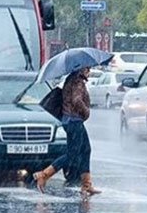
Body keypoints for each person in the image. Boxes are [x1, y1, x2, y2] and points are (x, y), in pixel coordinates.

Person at [32, 67, 101, 198]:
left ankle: (86, 184)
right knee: (72, 154)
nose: (89, 71)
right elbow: (76, 100)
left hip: (70, 120)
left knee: (86, 149)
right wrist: (86, 112)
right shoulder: (78, 82)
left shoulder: (71, 79)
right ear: (81, 70)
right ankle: (44, 174)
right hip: (74, 121)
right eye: (87, 69)